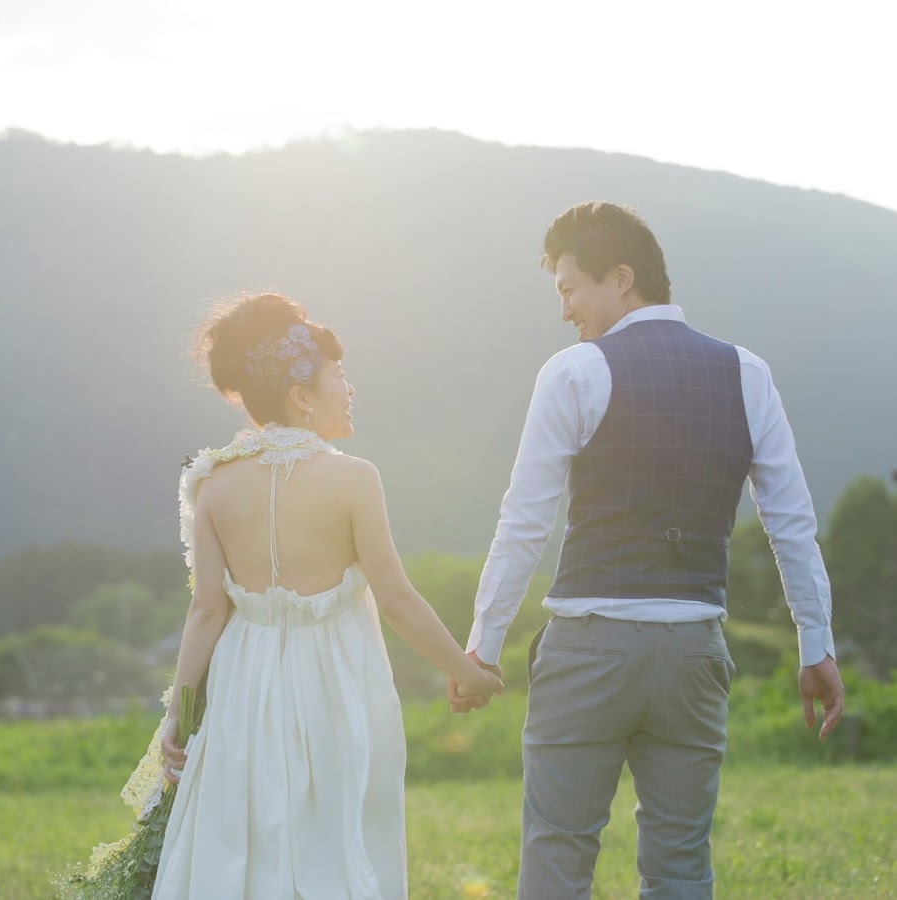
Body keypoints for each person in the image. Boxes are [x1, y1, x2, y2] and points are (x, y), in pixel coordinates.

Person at [448, 202, 844, 899]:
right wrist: (817, 645)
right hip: (693, 653)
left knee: (558, 852)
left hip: (588, 649)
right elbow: (791, 522)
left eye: (570, 288)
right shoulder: (748, 373)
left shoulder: (574, 372)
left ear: (621, 278)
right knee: (681, 864)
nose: (564, 309)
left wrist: (482, 646)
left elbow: (524, 523)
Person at [153, 293, 503, 899]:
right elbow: (396, 599)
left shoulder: (211, 483)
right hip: (338, 682)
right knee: (337, 833)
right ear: (301, 395)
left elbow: (207, 610)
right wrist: (466, 671)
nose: (349, 387)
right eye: (338, 374)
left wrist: (177, 716)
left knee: (245, 834)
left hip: (244, 684)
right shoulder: (354, 479)